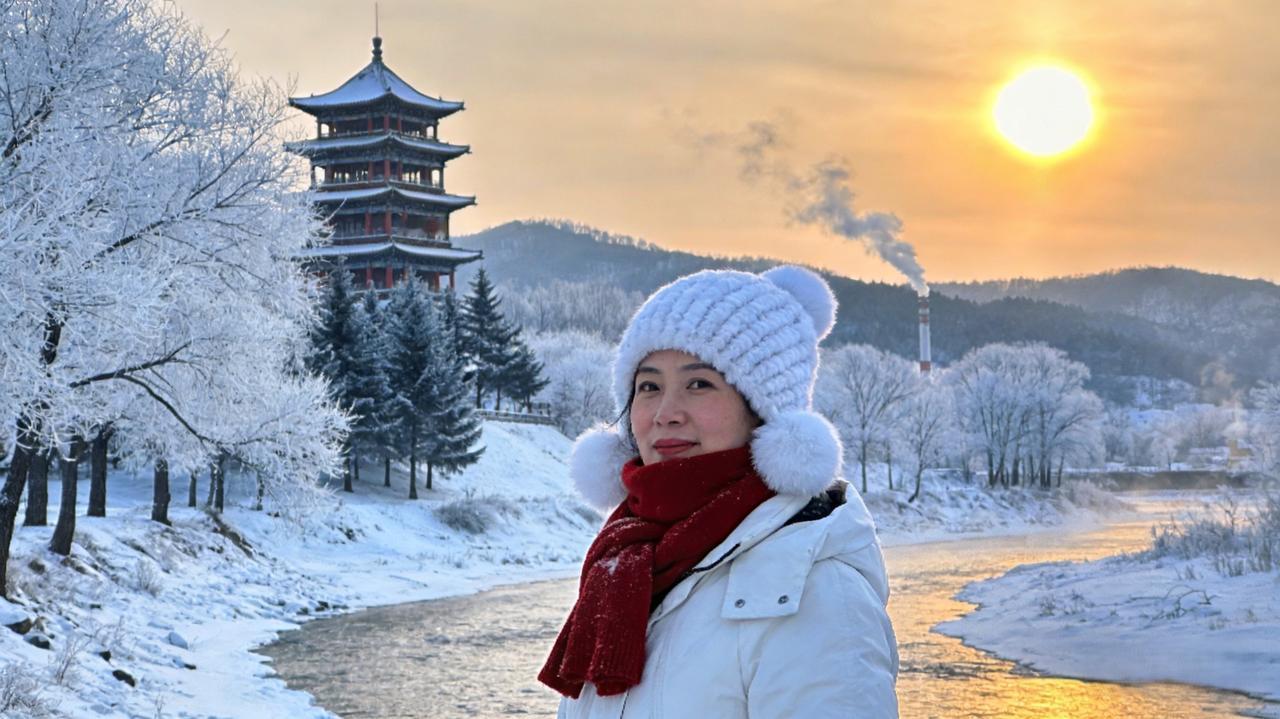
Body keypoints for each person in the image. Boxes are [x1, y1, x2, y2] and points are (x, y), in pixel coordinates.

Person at [539, 265, 899, 718]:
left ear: (763, 411)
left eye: (699, 384)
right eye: (648, 386)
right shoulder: (625, 565)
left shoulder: (817, 591)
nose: (666, 412)